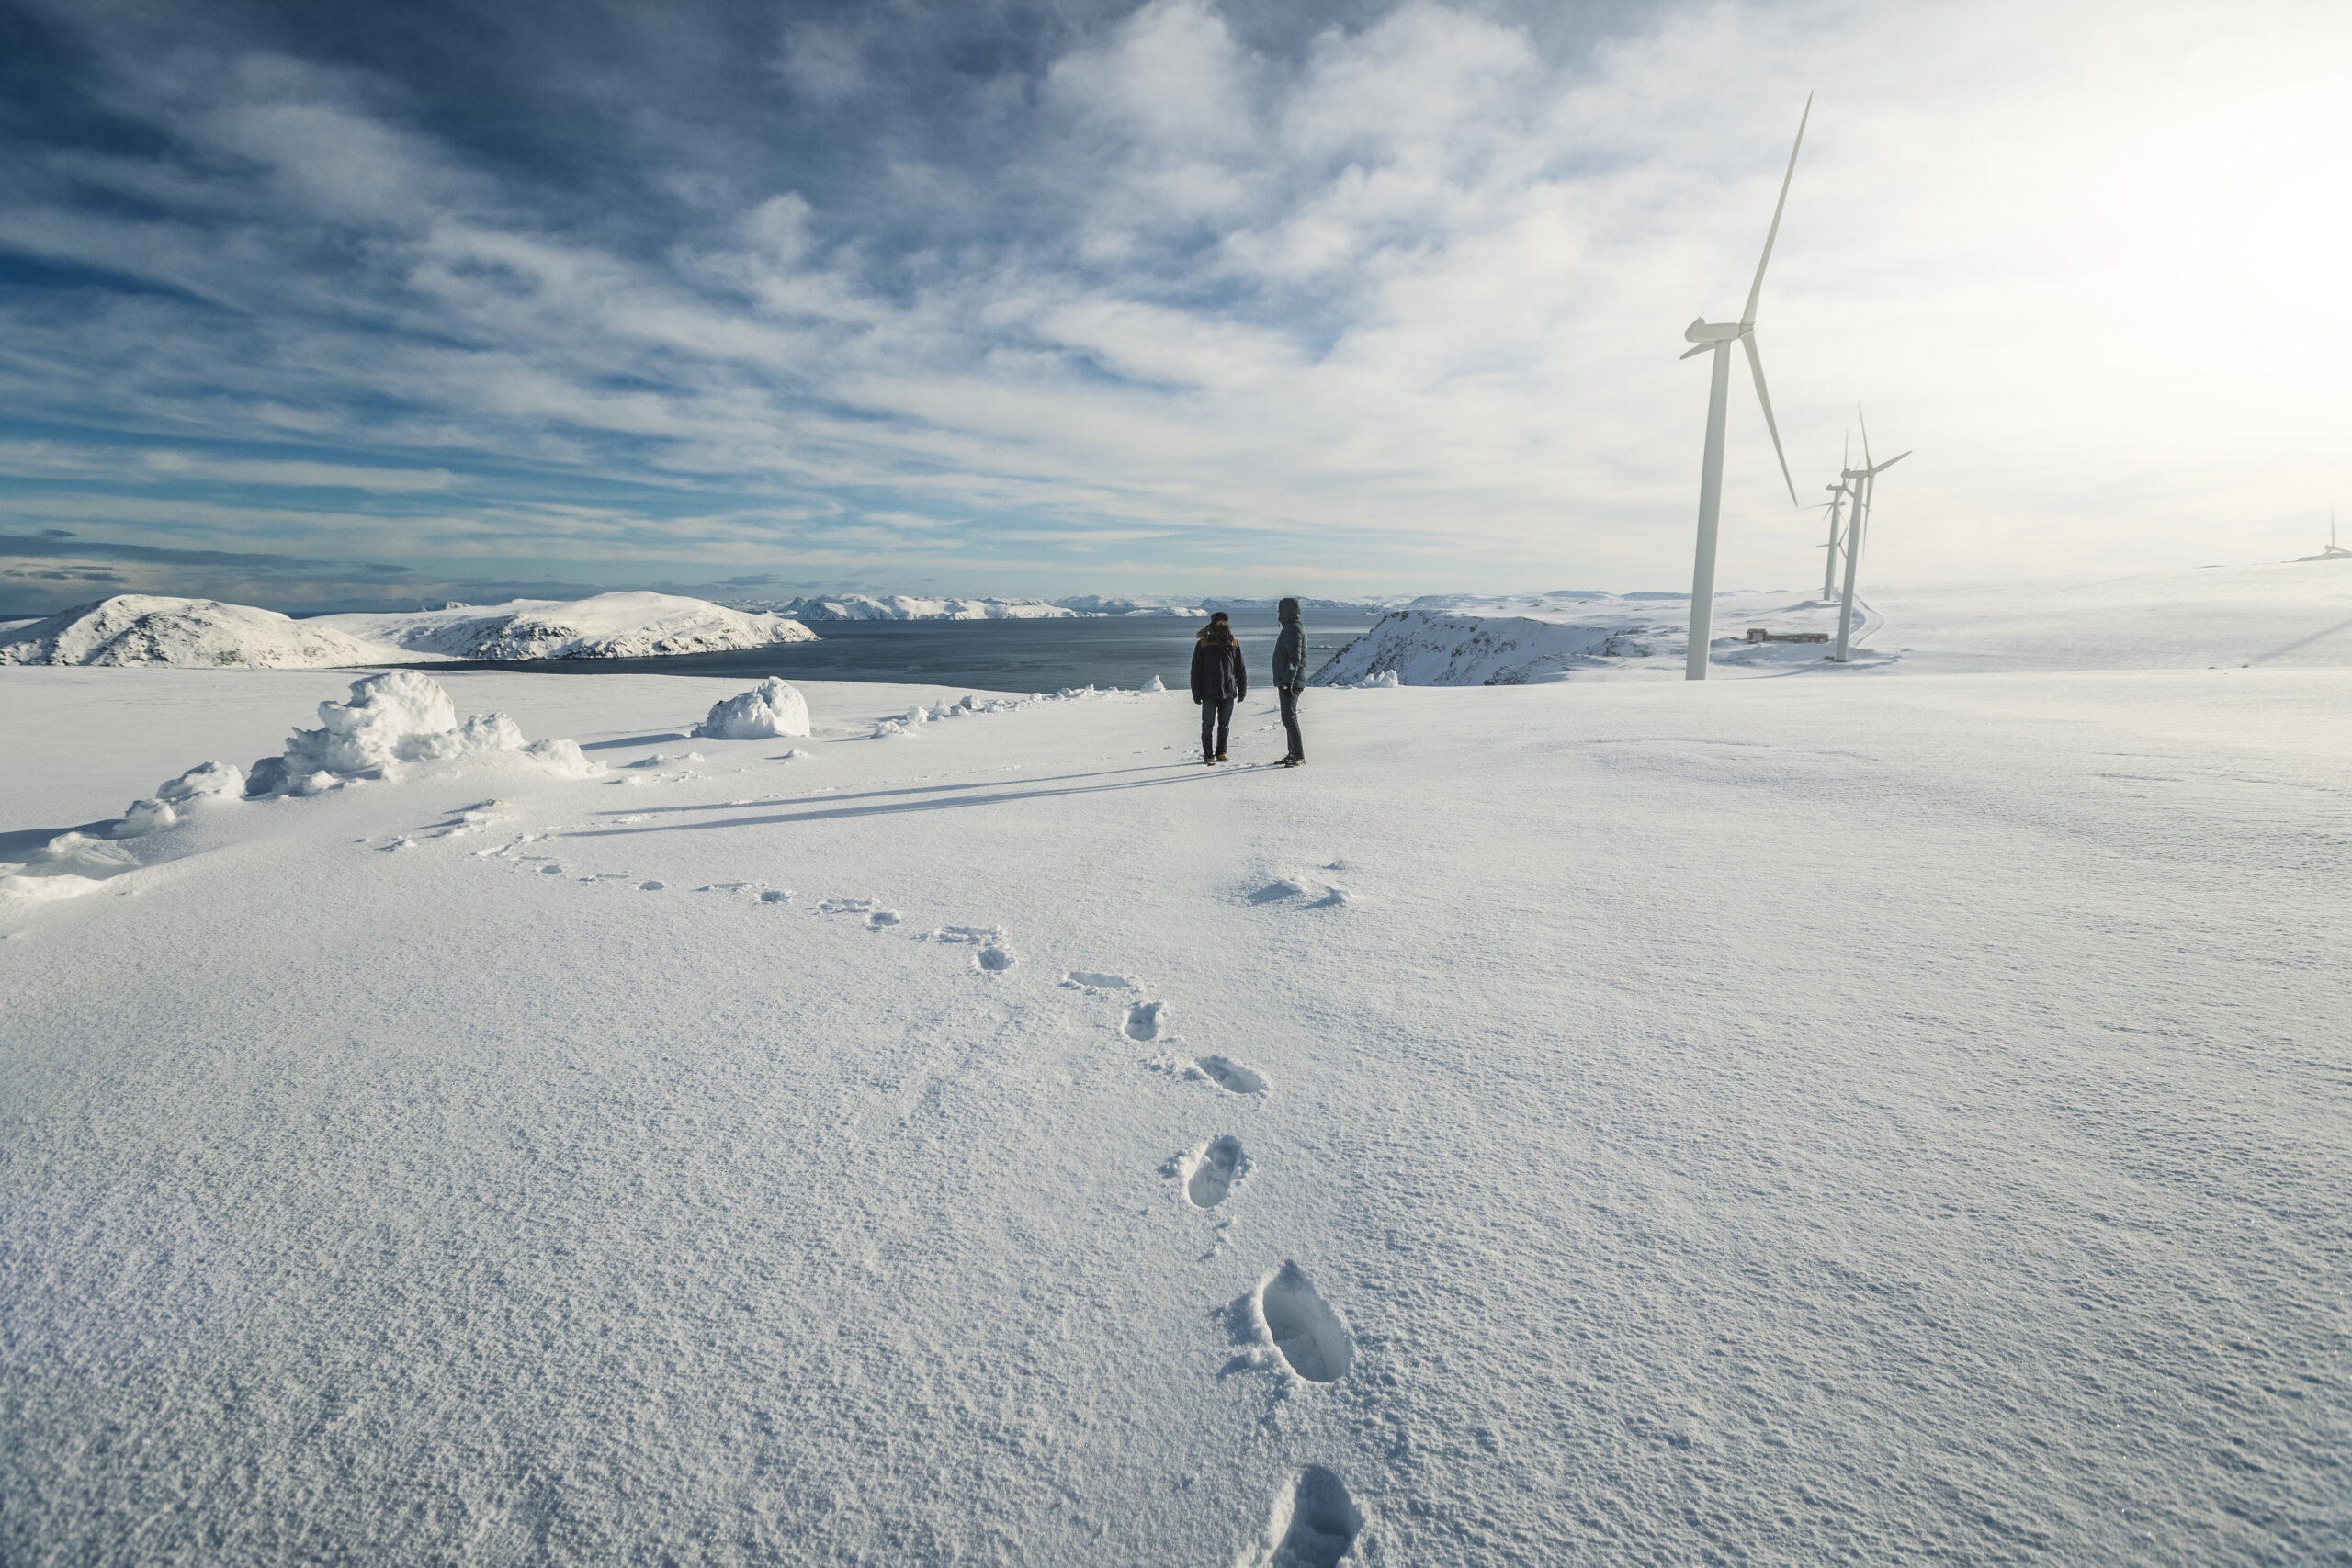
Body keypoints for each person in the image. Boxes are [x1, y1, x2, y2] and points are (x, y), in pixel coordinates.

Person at [1189, 611, 1246, 763]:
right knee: (1207, 726)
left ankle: (1221, 752)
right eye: (1220, 622)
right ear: (1213, 623)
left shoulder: (1233, 642)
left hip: (1228, 692)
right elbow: (1195, 671)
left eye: (1225, 622)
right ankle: (1208, 755)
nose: (1223, 625)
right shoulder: (1203, 643)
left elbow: (1240, 668)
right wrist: (1196, 692)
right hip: (1209, 693)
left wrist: (1242, 689)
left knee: (1224, 726)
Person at [1271, 596, 1306, 766]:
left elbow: (1295, 658)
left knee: (1289, 717)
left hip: (1290, 682)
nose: (1277, 613)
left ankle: (1298, 755)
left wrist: (1288, 682)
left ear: (1286, 612)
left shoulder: (1292, 629)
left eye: (1280, 610)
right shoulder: (1291, 628)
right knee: (1287, 717)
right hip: (1288, 680)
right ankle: (1293, 753)